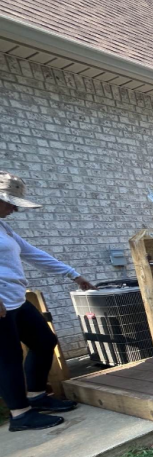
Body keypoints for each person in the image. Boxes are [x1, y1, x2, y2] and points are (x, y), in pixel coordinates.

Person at [1, 171, 95, 431]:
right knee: (7, 359)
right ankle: (20, 415)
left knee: (44, 342)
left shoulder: (3, 227)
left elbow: (32, 253)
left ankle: (36, 396)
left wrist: (73, 274)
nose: (14, 210)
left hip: (16, 301)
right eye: (11, 203)